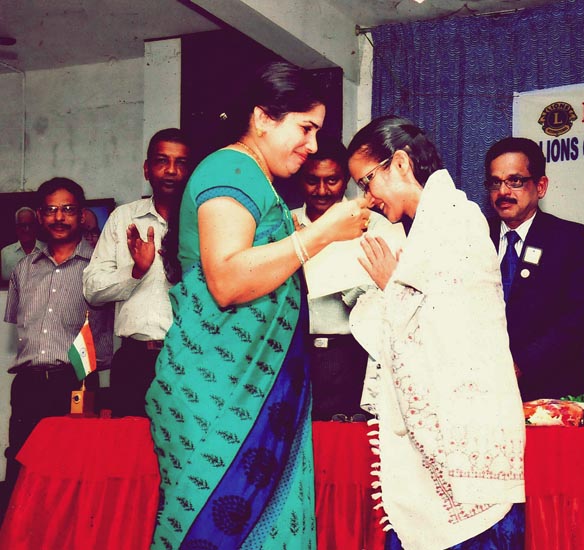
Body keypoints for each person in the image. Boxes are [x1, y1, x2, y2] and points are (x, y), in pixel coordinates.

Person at [144, 61, 369, 549]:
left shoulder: (257, 178)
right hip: (219, 395)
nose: (312, 145)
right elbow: (227, 280)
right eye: (305, 128)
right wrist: (322, 233)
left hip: (254, 390)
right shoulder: (229, 169)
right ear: (264, 118)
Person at [347, 115, 525, 550]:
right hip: (440, 447)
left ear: (400, 164)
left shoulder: (457, 222)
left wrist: (392, 287)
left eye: (368, 182)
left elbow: (453, 335)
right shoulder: (429, 226)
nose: (367, 198)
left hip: (466, 449)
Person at [3, 178, 113, 509]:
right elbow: (18, 322)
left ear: (82, 215)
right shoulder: (23, 269)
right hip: (28, 386)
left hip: (76, 384)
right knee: (22, 470)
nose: (59, 217)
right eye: (51, 210)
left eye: (68, 209)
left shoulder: (99, 268)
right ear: (40, 216)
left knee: (73, 477)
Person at [83, 128, 191, 417]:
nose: (171, 170)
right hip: (133, 361)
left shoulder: (204, 222)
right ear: (146, 169)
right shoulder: (124, 218)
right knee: (128, 444)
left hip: (189, 359)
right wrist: (136, 271)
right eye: (162, 161)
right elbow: (92, 290)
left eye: (181, 163)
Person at [485, 137, 584, 403]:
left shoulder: (570, 238)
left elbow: (580, 320)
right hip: (482, 391)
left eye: (515, 181)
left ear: (541, 186)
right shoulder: (473, 238)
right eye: (495, 182)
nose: (503, 192)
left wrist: (520, 365)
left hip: (551, 393)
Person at [291, 135, 393, 420]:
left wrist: (316, 253)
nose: (322, 190)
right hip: (295, 353)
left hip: (353, 354)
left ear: (347, 179)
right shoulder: (286, 223)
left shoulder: (374, 224)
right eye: (312, 180)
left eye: (332, 180)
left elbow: (386, 295)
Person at [1, 207, 45, 283]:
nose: (27, 229)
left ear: (36, 226)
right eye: (22, 225)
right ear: (16, 227)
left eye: (30, 225)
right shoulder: (5, 254)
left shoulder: (48, 250)